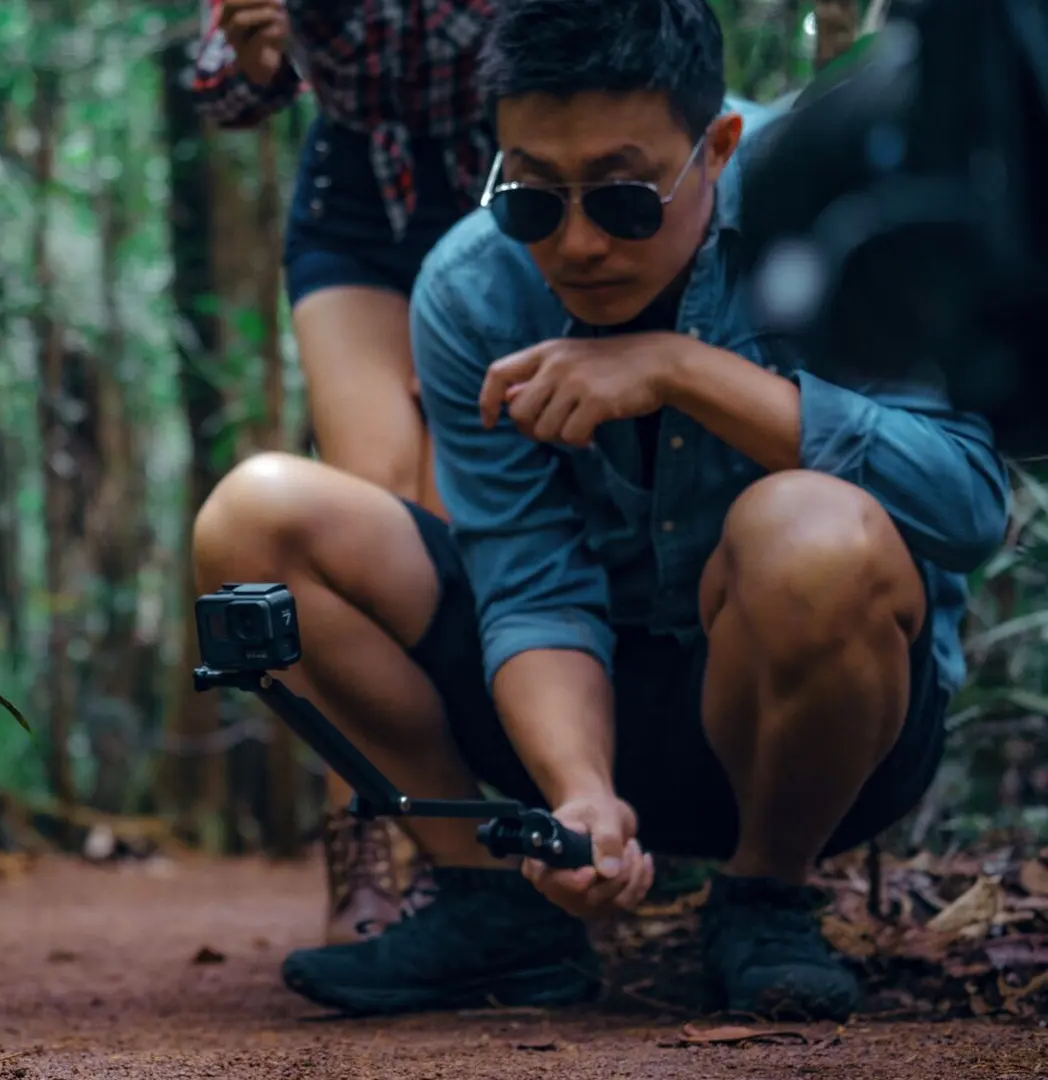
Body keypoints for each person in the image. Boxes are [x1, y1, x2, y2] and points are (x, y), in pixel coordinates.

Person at [190, 0, 1010, 1021]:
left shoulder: (829, 214)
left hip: (813, 725)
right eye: (534, 198)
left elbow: (970, 506)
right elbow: (529, 582)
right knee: (255, 520)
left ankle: (764, 894)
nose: (576, 244)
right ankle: (496, 909)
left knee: (811, 532)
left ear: (716, 148)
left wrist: (681, 371)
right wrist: (579, 794)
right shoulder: (474, 289)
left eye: (622, 201)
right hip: (595, 718)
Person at [189, 0, 498, 949]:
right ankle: (368, 839)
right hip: (358, 199)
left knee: (457, 511)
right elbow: (222, 88)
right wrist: (257, 53)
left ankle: (489, 845)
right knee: (373, 505)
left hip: (514, 186)